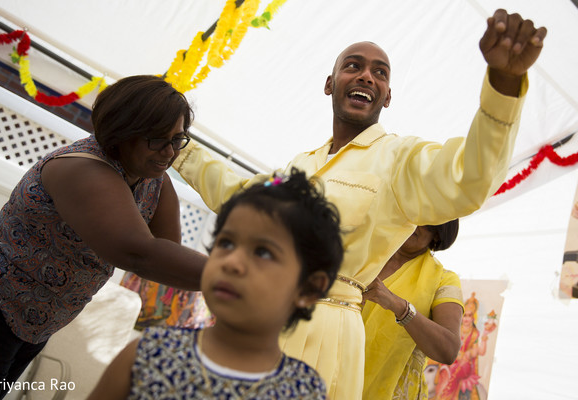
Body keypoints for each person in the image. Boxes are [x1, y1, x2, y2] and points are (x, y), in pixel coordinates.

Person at [170, 9, 547, 399]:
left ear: (388, 96)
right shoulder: (302, 164)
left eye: (380, 73)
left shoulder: (400, 159)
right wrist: (179, 148)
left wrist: (504, 86)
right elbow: (240, 196)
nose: (367, 76)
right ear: (330, 84)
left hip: (324, 329)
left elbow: (470, 179)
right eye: (354, 66)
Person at [0, 75, 208, 400]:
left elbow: (165, 253)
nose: (169, 152)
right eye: (158, 139)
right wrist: (243, 279)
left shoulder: (152, 178)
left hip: (35, 321)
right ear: (123, 129)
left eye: (178, 139)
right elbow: (139, 255)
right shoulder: (83, 169)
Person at [87, 169, 344, 399]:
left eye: (263, 252)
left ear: (309, 288)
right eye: (226, 243)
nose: (231, 262)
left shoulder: (302, 391)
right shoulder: (150, 353)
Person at [361, 219, 463, 399]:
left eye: (426, 219)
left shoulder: (443, 280)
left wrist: (399, 307)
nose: (415, 221)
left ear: (438, 233)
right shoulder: (364, 258)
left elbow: (449, 350)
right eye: (410, 212)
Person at [438, 292, 496, 400]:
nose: (466, 319)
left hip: (465, 364)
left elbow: (481, 351)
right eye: (464, 315)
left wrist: (485, 336)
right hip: (452, 359)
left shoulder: (475, 333)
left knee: (454, 370)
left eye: (469, 316)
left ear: (473, 318)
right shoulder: (456, 329)